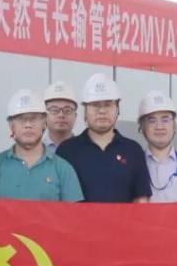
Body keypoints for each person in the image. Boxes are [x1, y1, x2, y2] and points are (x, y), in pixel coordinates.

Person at [56, 73, 151, 203]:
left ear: (117, 109)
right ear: (85, 110)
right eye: (95, 105)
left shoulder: (133, 150)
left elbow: (141, 200)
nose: (102, 111)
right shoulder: (66, 151)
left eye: (107, 104)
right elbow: (58, 200)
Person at [0, 89, 83, 201]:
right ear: (11, 125)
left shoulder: (63, 169)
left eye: (34, 118)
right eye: (21, 119)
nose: (28, 125)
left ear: (44, 122)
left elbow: (74, 212)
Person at [43, 81, 79, 154]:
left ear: (75, 116)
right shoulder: (35, 151)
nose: (61, 115)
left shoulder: (85, 150)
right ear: (44, 116)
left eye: (67, 110)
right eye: (54, 110)